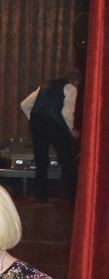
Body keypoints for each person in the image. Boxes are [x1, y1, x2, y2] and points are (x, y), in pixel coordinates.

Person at [20, 71, 81, 202]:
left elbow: (24, 104)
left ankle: (40, 195)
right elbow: (67, 112)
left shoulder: (45, 85)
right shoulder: (71, 88)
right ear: (76, 81)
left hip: (37, 122)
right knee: (66, 158)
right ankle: (71, 195)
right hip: (54, 122)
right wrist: (71, 130)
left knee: (41, 160)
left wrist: (33, 118)